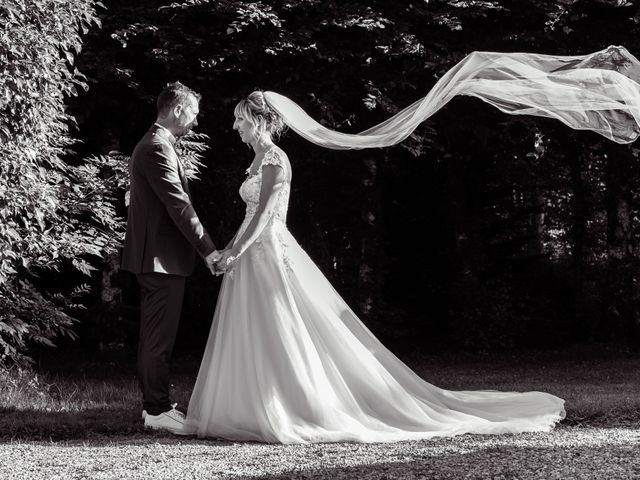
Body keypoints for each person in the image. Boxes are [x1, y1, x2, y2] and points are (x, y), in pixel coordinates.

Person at [182, 91, 566, 443]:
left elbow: (266, 215)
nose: (235, 127)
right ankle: (252, 408)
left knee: (284, 325)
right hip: (253, 254)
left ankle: (294, 405)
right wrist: (228, 251)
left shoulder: (274, 159)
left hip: (271, 252)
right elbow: (249, 216)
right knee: (256, 328)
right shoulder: (253, 160)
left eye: (240, 120)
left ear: (259, 122)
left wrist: (235, 252)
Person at [121, 81, 221, 435]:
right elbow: (179, 205)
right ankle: (157, 409)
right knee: (157, 337)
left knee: (156, 335)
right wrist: (208, 250)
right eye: (193, 112)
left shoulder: (158, 144)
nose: (195, 120)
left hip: (158, 257)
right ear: (178, 109)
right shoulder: (156, 148)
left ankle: (156, 406)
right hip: (159, 259)